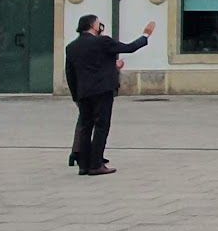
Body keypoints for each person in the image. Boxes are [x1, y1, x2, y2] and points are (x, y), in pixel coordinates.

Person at [65, 14, 155, 176]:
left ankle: (83, 165)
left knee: (85, 127)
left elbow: (70, 73)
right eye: (99, 23)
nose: (101, 26)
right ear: (93, 26)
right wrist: (146, 34)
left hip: (83, 92)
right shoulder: (102, 41)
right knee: (101, 126)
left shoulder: (72, 47)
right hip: (102, 91)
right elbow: (130, 47)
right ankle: (96, 164)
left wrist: (75, 96)